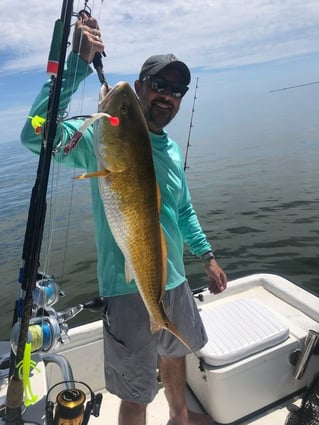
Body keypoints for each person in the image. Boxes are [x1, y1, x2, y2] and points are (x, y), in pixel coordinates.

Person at [21, 15, 227, 425]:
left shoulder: (168, 151)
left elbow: (182, 209)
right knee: (135, 393)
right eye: (160, 86)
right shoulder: (101, 135)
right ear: (140, 87)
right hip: (127, 288)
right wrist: (77, 65)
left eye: (177, 90)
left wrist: (206, 255)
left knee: (175, 354)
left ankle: (180, 418)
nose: (168, 96)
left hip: (174, 279)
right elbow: (36, 132)